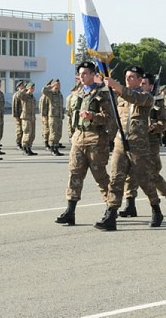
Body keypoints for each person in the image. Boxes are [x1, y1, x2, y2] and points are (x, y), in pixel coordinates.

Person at [94, 65, 163, 231]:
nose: (128, 79)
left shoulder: (146, 97)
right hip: (120, 142)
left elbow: (133, 97)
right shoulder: (121, 96)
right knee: (116, 179)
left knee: (144, 179)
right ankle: (110, 215)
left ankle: (156, 208)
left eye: (132, 77)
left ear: (140, 80)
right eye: (126, 77)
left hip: (138, 145)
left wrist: (115, 85)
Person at [55, 62, 112, 226]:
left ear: (93, 74)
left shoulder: (102, 94)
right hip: (79, 137)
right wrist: (72, 135)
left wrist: (93, 116)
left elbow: (109, 118)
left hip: (95, 138)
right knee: (75, 174)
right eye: (80, 73)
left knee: (100, 176)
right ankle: (70, 211)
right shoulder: (76, 94)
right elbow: (70, 116)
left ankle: (111, 209)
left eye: (85, 73)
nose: (82, 76)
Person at [118, 72, 166, 218]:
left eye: (144, 83)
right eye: (141, 83)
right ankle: (130, 205)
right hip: (133, 140)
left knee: (150, 174)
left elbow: (164, 122)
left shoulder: (156, 101)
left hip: (150, 142)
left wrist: (154, 127)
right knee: (131, 173)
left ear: (151, 86)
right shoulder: (130, 98)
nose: (141, 85)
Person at [45, 79, 65, 156]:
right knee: (53, 133)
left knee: (58, 133)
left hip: (59, 117)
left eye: (59, 84)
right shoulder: (51, 93)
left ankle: (56, 148)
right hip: (53, 116)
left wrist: (62, 114)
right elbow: (43, 90)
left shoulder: (60, 94)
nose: (59, 86)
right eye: (57, 84)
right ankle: (52, 148)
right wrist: (51, 86)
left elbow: (61, 106)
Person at [20, 82, 38, 156]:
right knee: (27, 133)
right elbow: (19, 95)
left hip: (32, 117)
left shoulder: (32, 97)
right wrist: (23, 90)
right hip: (26, 117)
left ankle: (29, 148)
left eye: (33, 88)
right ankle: (24, 148)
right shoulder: (25, 96)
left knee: (32, 134)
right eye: (31, 87)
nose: (32, 89)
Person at [12, 80, 26, 150]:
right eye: (21, 85)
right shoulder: (16, 95)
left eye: (23, 85)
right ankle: (18, 143)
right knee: (19, 130)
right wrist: (15, 115)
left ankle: (23, 143)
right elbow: (14, 106)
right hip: (19, 114)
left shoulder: (24, 94)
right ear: (18, 87)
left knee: (24, 130)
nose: (23, 86)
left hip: (24, 115)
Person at [39, 81, 51, 150]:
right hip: (45, 116)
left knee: (50, 130)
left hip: (49, 115)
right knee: (46, 130)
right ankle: (46, 143)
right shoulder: (44, 97)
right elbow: (42, 107)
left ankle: (49, 142)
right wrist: (44, 115)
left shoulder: (49, 96)